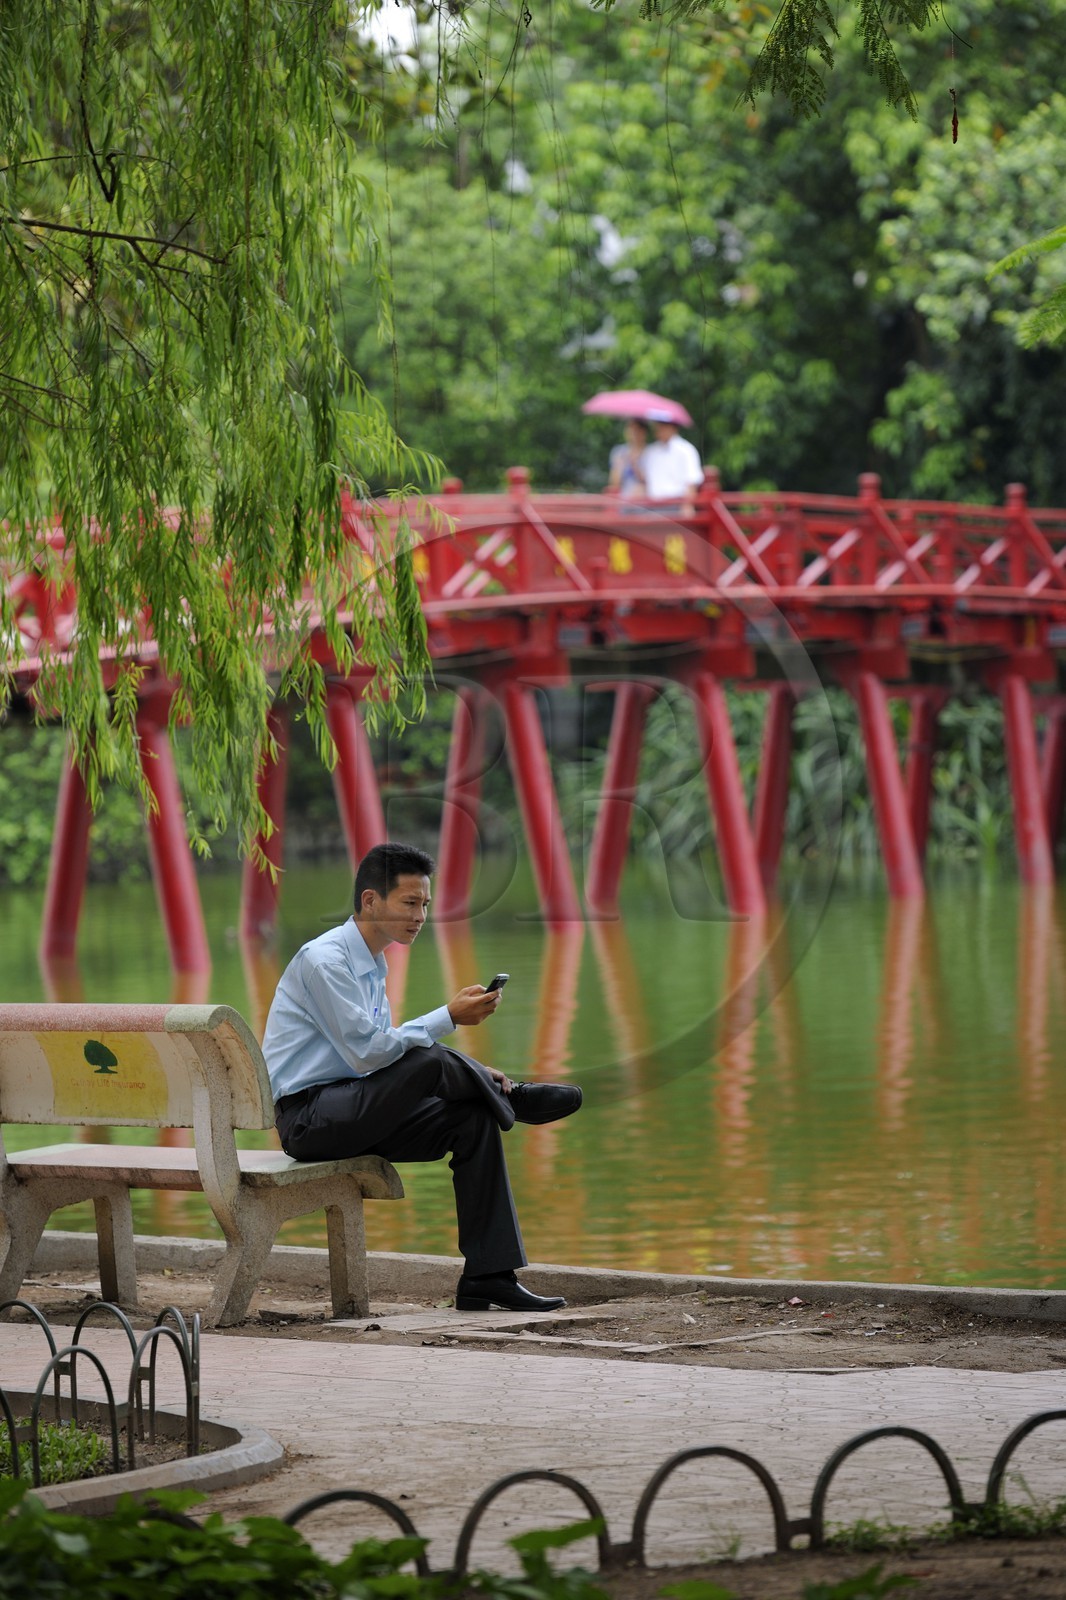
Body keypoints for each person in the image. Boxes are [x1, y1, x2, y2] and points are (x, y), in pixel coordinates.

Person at [263, 841, 583, 1313]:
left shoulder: (373, 961)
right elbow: (367, 1053)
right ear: (371, 900)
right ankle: (510, 1097)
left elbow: (377, 1053)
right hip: (310, 1120)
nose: (420, 916)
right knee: (429, 1059)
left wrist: (470, 1072)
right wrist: (447, 1016)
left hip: (353, 1108)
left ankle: (487, 1277)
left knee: (472, 1119)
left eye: (425, 905)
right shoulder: (324, 960)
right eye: (409, 903)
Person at [640, 411, 704, 513]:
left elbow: (692, 482)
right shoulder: (650, 451)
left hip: (676, 505)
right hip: (651, 505)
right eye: (658, 426)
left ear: (673, 428)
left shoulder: (686, 450)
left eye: (663, 426)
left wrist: (687, 506)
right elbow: (644, 481)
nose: (659, 429)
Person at [607, 419, 648, 499]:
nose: (633, 434)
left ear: (644, 432)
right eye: (630, 430)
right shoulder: (619, 452)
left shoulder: (651, 452)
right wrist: (619, 465)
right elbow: (614, 483)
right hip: (624, 501)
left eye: (637, 430)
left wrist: (635, 464)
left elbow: (652, 481)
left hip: (645, 500)